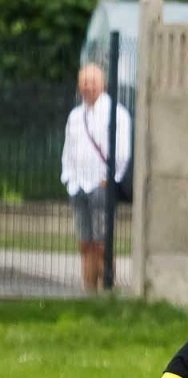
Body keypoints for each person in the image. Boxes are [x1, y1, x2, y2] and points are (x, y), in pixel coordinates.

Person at [60, 63, 131, 293]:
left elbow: (122, 152)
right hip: (78, 185)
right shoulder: (75, 115)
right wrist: (68, 178)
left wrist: (109, 179)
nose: (87, 86)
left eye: (92, 81)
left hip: (100, 184)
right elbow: (69, 149)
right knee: (85, 242)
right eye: (84, 82)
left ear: (103, 84)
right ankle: (89, 290)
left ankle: (107, 287)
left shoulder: (116, 113)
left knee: (102, 243)